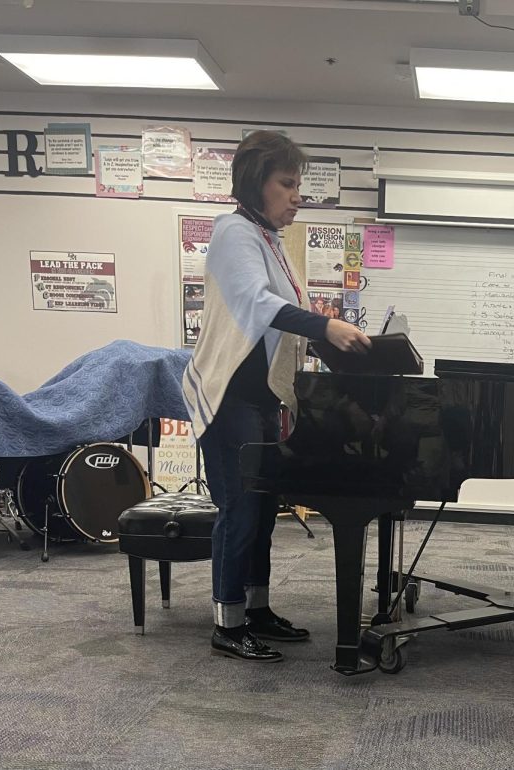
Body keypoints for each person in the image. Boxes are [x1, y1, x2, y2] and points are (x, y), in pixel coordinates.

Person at [182, 130, 371, 662]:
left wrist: (324, 341)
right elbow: (254, 302)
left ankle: (257, 610)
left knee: (263, 512)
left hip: (262, 398)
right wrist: (325, 327)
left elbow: (280, 320)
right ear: (254, 182)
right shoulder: (233, 231)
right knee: (238, 510)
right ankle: (227, 621)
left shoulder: (267, 240)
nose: (296, 196)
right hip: (230, 397)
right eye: (287, 184)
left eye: (298, 185)